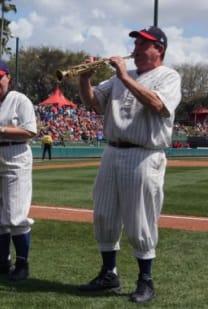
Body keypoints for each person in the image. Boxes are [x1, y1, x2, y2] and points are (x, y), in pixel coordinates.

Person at [77, 26, 181, 303]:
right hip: (112, 151)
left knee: (140, 220)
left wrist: (123, 75)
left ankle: (145, 280)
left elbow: (157, 105)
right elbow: (94, 103)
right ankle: (108, 273)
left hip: (144, 153)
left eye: (142, 44)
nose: (135, 48)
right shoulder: (120, 78)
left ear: (159, 49)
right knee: (104, 215)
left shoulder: (168, 76)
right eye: (135, 42)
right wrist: (84, 80)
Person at [0, 59, 37, 281]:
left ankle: (22, 264)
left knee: (15, 214)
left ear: (8, 77)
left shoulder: (21, 100)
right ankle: (2, 261)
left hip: (16, 154)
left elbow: (31, 131)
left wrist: (0, 129)